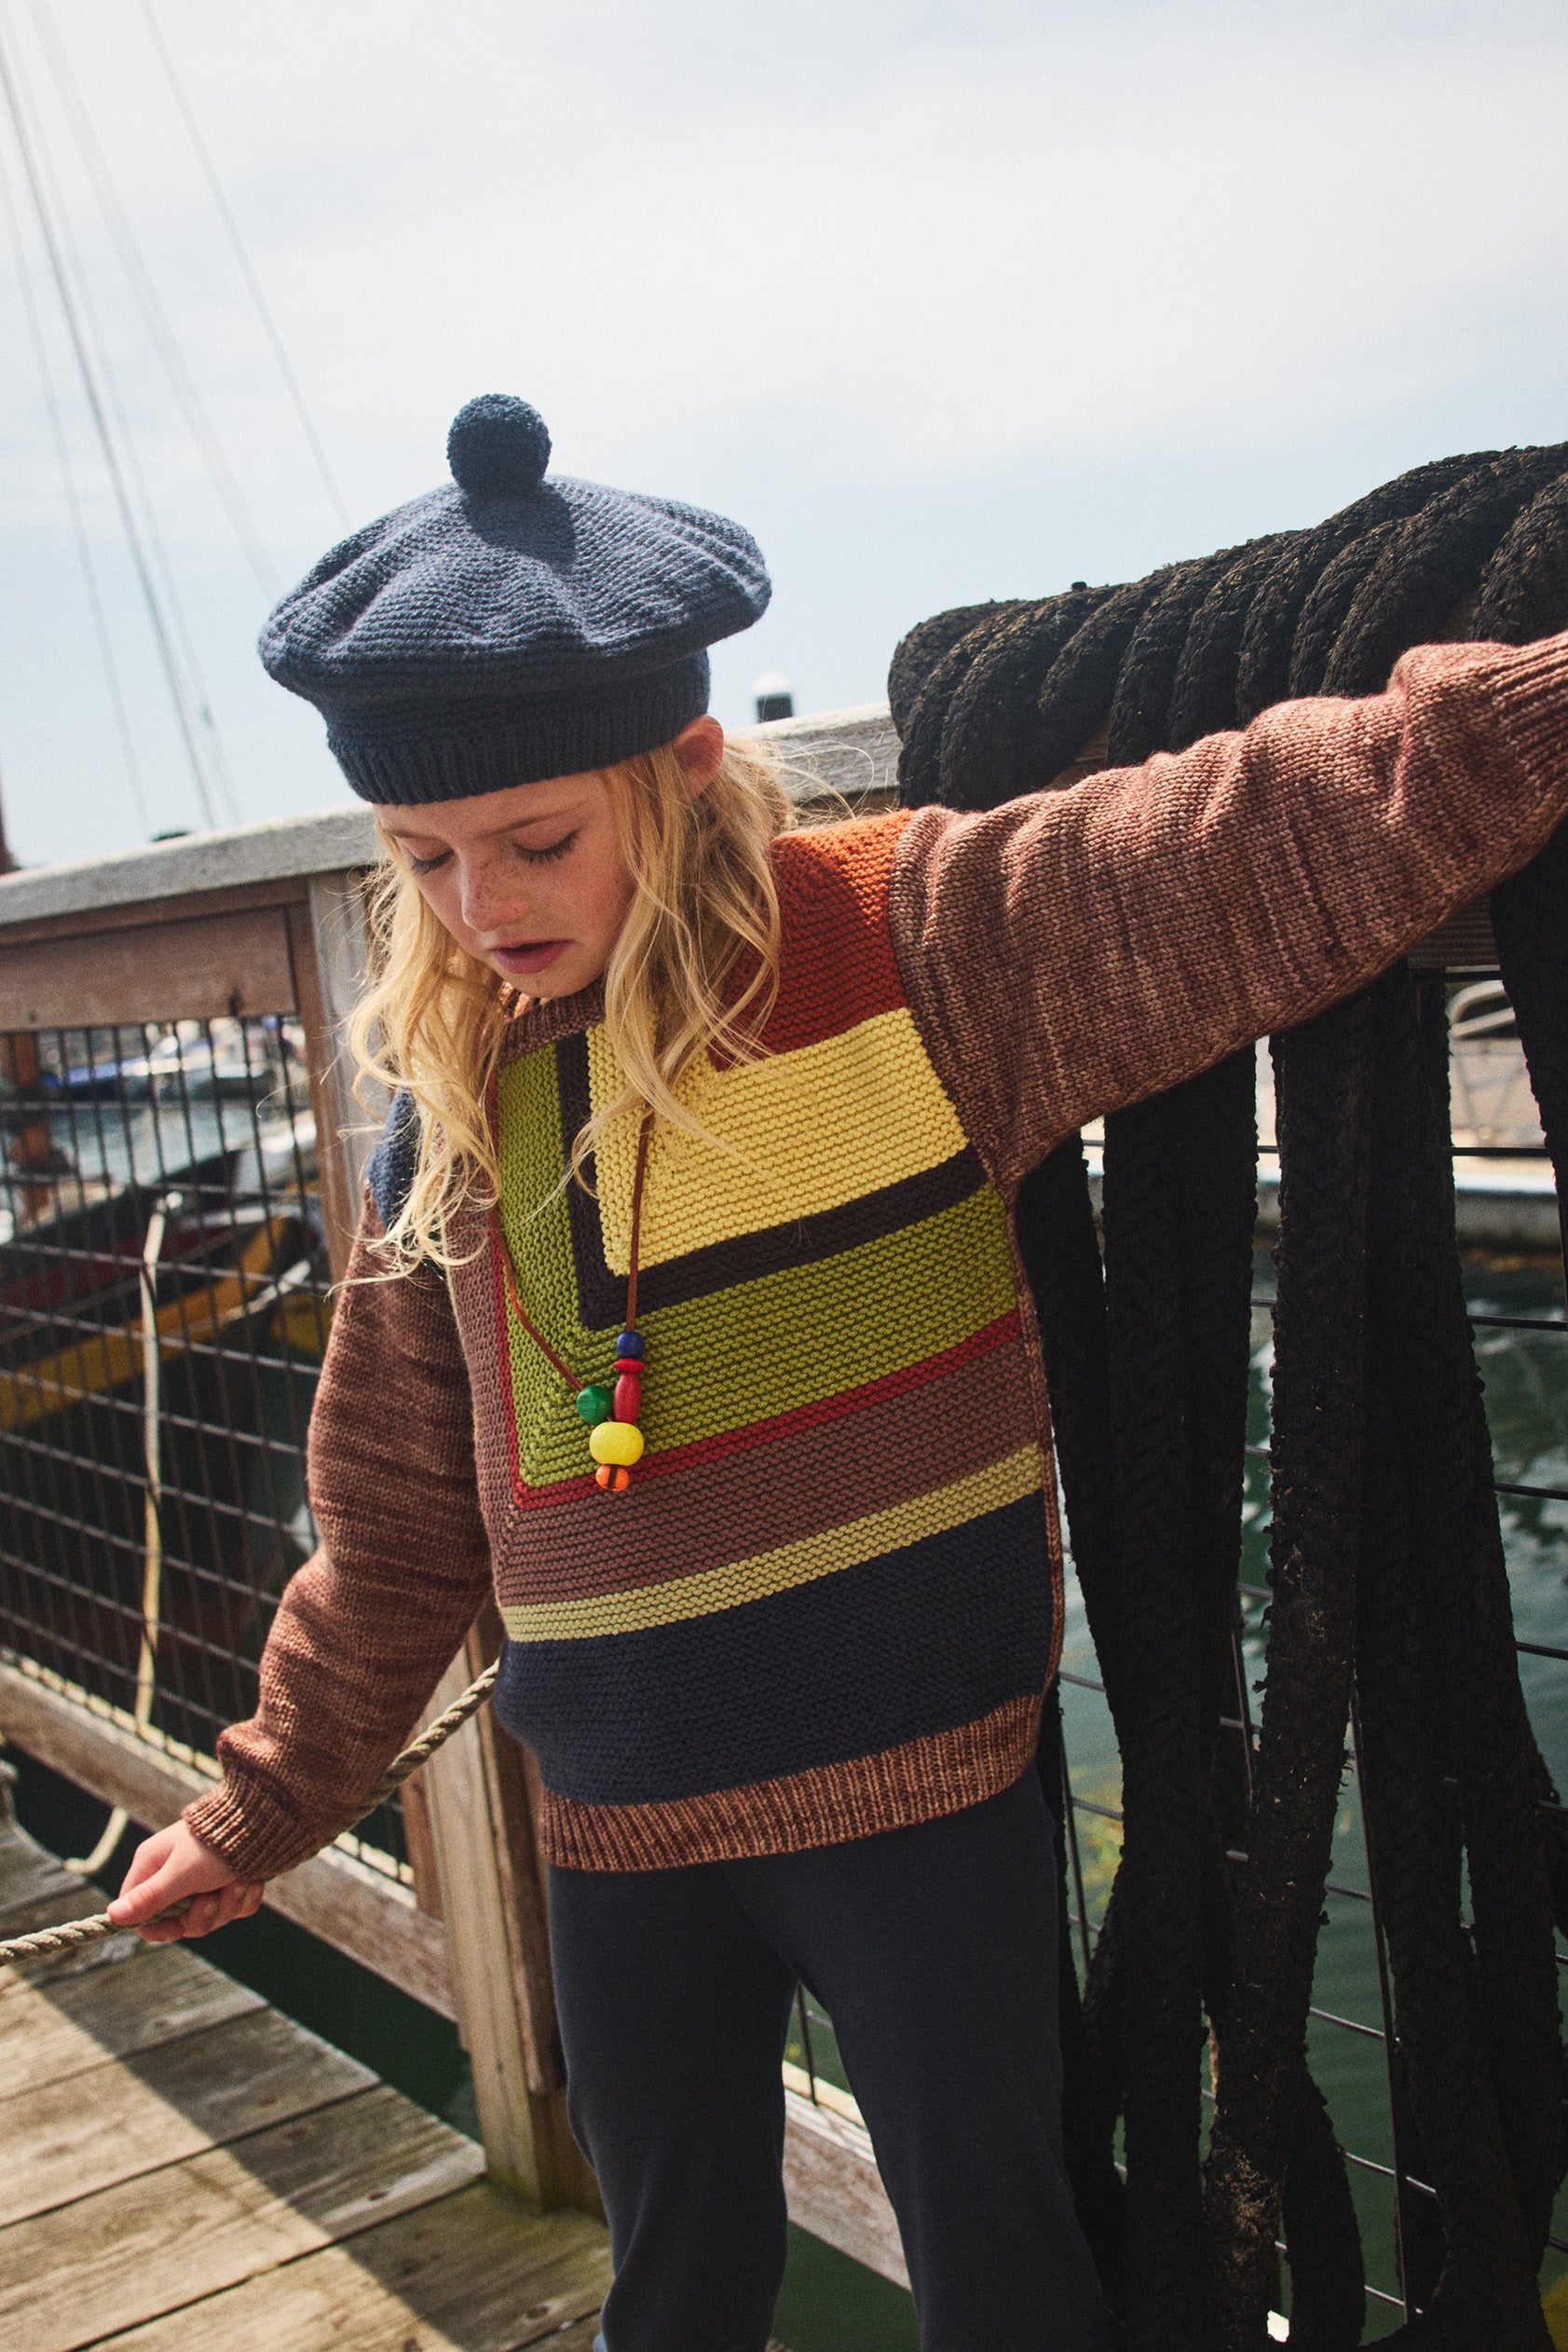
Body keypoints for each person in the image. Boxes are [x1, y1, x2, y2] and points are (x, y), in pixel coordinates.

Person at [109, 393, 1568, 2352]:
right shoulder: (446, 1113)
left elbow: (1226, 844)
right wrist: (258, 1805)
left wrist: (1518, 719)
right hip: (617, 1833)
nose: (480, 908)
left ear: (686, 769)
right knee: (674, 2287)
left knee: (1007, 2278)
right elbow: (389, 1529)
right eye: (423, 858)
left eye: (536, 840)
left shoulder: (916, 945)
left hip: (919, 1811)